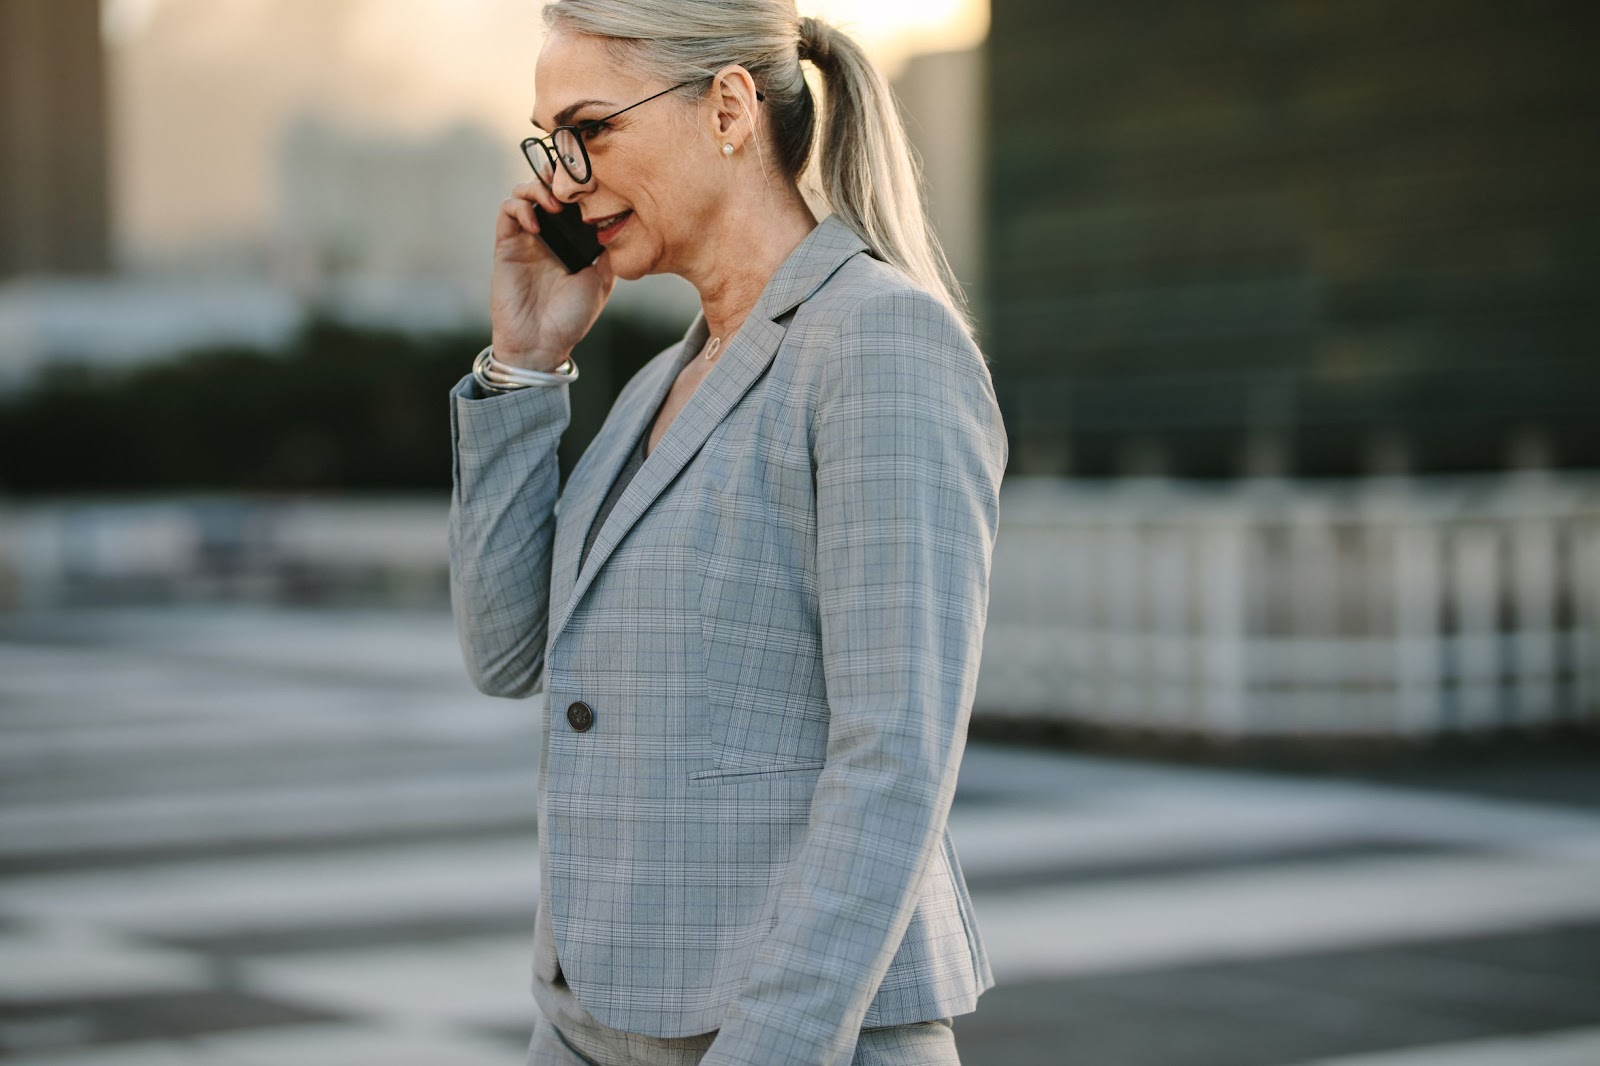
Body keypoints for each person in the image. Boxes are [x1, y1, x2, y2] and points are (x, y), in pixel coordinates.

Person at [446, 2, 1007, 1062]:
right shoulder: (659, 383)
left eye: (592, 128)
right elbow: (506, 651)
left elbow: (893, 760)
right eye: (549, 142)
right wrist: (523, 364)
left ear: (729, 107)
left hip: (789, 1033)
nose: (560, 178)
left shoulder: (879, 344)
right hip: (587, 1018)